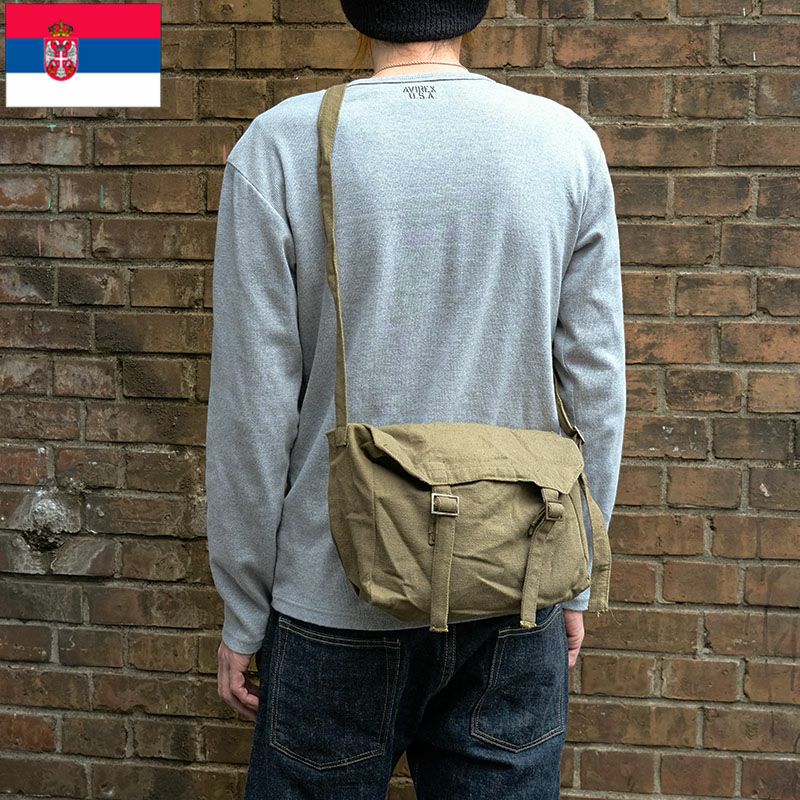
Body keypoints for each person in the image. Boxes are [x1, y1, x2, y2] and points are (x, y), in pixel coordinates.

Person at [205, 1, 626, 796]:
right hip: (516, 586)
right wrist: (571, 576)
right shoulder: (563, 143)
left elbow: (252, 411)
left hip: (333, 596)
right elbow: (596, 386)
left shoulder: (283, 144)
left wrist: (244, 607)